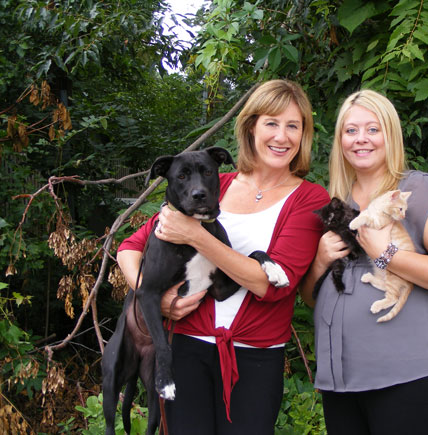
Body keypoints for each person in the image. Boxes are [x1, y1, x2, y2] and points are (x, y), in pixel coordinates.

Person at [116, 79, 329, 435]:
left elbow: (272, 285)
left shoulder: (309, 199)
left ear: (304, 134)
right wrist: (155, 295)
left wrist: (196, 236)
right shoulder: (214, 183)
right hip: (185, 349)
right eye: (271, 123)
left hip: (255, 358)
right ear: (251, 128)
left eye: (293, 125)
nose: (282, 136)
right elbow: (129, 248)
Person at [300, 89, 428, 435]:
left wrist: (386, 254)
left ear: (390, 135)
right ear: (340, 140)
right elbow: (311, 298)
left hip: (401, 377)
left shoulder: (416, 192)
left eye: (372, 129)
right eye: (351, 131)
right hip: (339, 379)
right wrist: (318, 261)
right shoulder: (336, 204)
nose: (361, 139)